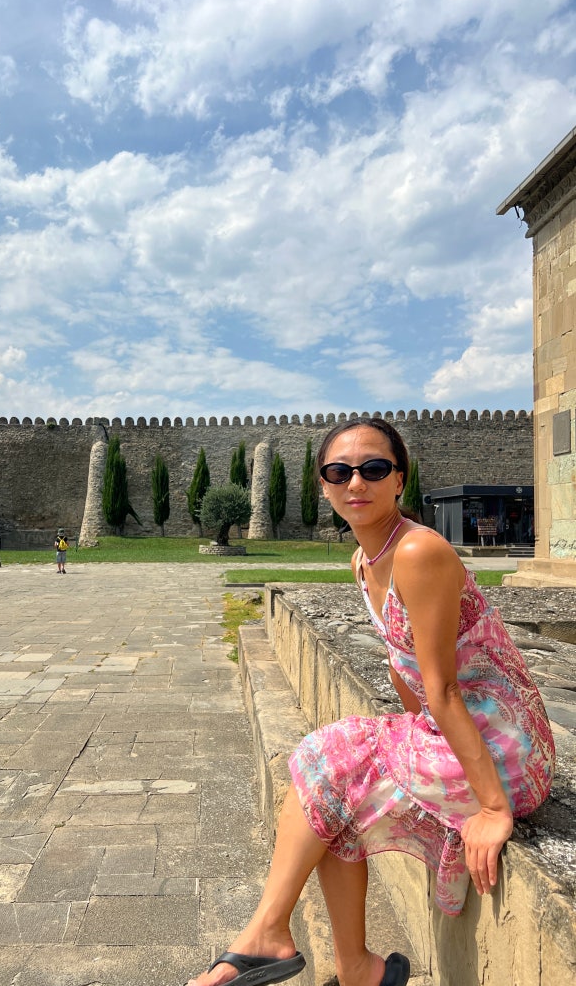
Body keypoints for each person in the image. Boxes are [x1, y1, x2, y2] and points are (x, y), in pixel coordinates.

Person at [186, 417, 554, 986]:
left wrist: (492, 809)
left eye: (374, 469)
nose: (355, 482)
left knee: (330, 762)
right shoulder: (364, 559)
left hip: (505, 747)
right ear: (324, 486)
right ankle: (351, 966)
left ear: (399, 480)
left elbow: (443, 689)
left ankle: (268, 936)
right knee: (336, 789)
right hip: (456, 731)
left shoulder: (418, 551)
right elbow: (404, 667)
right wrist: (404, 745)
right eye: (339, 472)